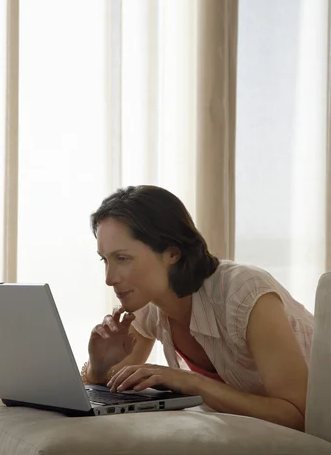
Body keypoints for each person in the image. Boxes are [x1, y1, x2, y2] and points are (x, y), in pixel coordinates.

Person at [81, 185, 313, 431]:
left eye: (123, 258)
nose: (109, 278)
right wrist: (98, 367)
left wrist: (191, 382)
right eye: (104, 260)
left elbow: (297, 415)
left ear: (172, 253)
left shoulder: (244, 294)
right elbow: (114, 384)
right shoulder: (146, 307)